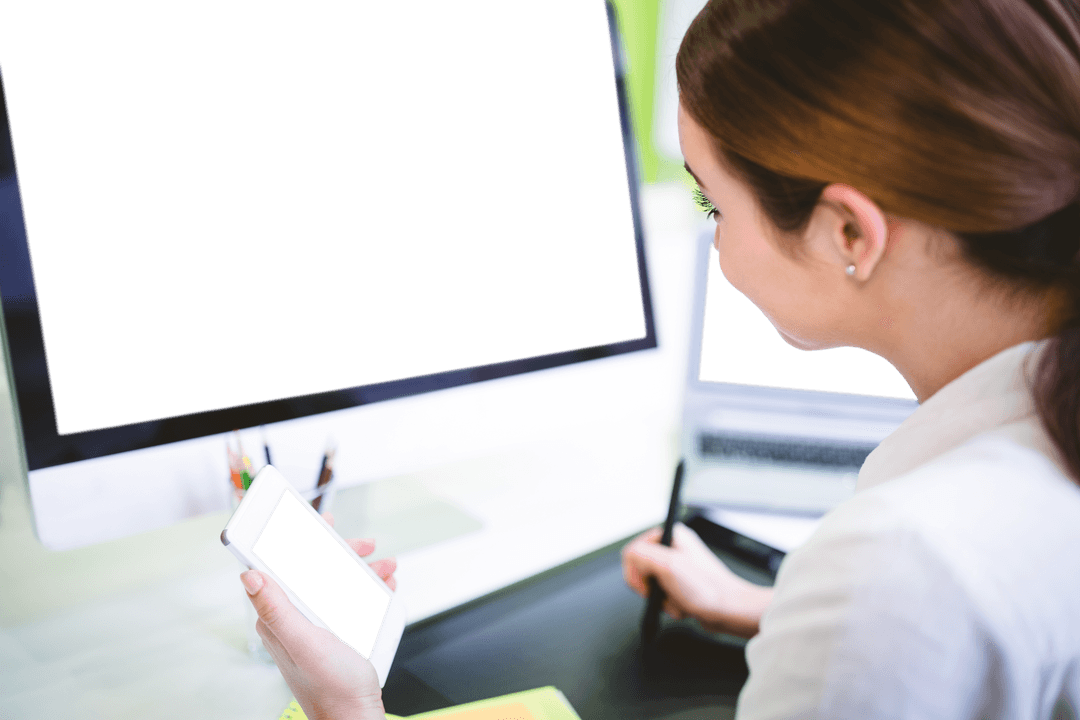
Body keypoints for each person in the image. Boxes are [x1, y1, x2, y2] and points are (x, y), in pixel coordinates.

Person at [243, 0, 1080, 717]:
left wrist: (346, 707)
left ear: (849, 232)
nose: (711, 240)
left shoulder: (906, 568)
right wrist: (793, 617)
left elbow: (922, 599)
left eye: (711, 199)